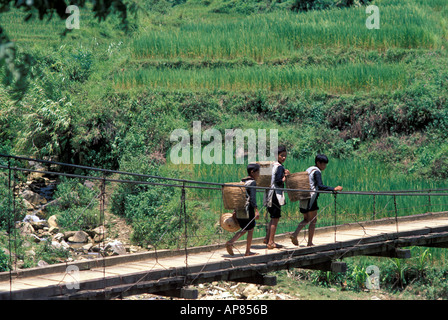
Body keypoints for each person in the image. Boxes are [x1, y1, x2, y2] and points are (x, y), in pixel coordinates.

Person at [290, 154, 342, 247]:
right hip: (311, 197)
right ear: (318, 163)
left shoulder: (309, 169)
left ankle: (295, 234)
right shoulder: (317, 172)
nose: (325, 167)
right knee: (313, 220)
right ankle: (309, 242)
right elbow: (320, 186)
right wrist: (333, 189)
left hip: (303, 197)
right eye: (324, 164)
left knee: (306, 219)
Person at [226, 163, 260, 256]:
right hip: (248, 209)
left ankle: (231, 242)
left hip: (239, 208)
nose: (259, 175)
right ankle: (247, 251)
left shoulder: (242, 181)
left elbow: (237, 197)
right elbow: (252, 198)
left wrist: (235, 210)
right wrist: (256, 210)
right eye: (258, 172)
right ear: (252, 172)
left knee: (245, 228)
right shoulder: (252, 182)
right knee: (250, 229)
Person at [264, 146, 290, 249]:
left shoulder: (270, 165)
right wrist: (286, 177)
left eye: (285, 156)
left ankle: (267, 238)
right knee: (275, 219)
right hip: (275, 195)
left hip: (268, 194)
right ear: (276, 155)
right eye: (281, 155)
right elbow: (279, 182)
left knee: (272, 217)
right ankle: (271, 242)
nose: (283, 157)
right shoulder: (279, 167)